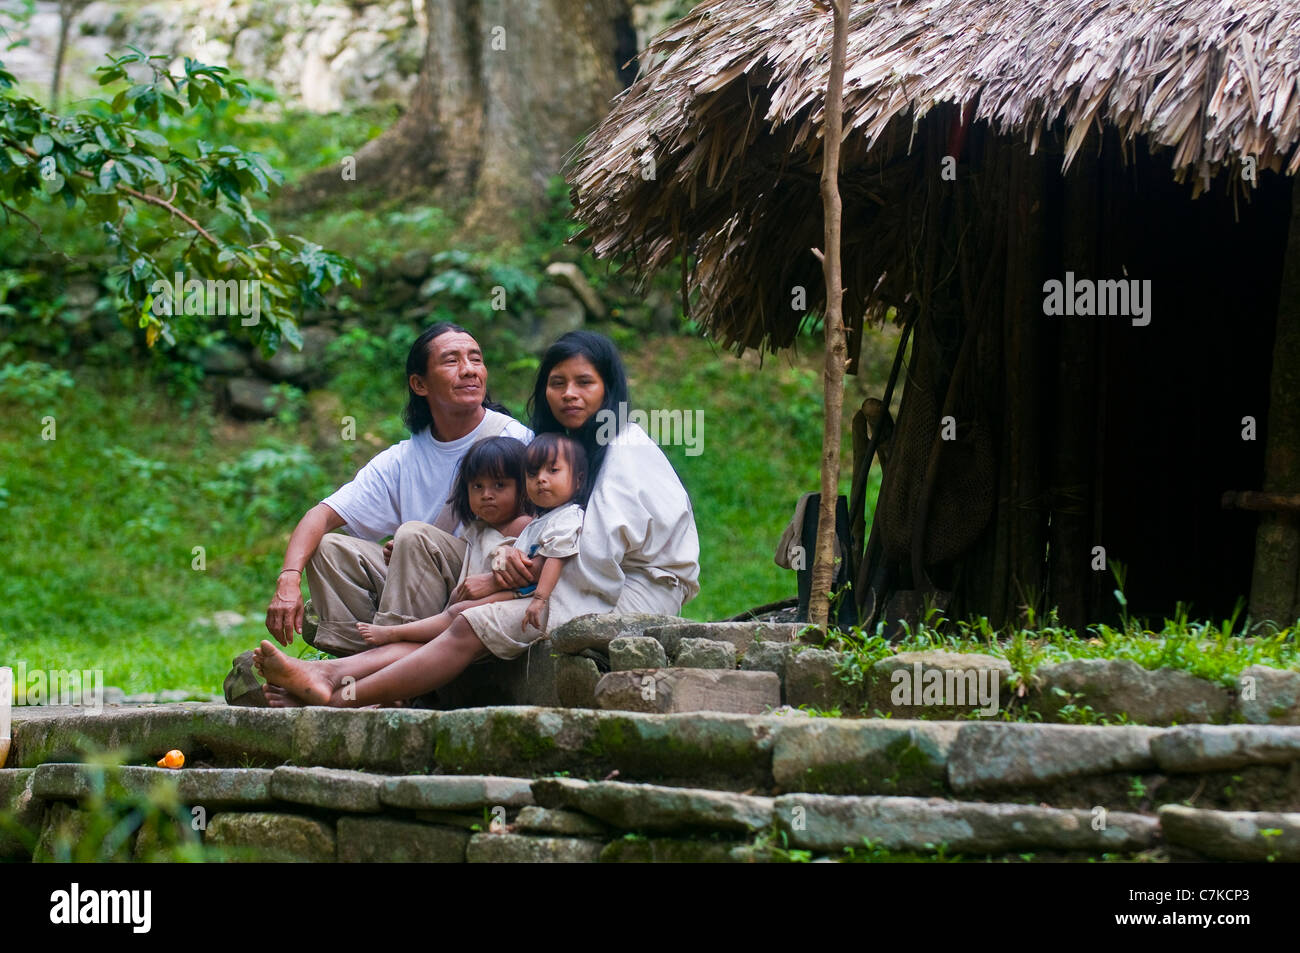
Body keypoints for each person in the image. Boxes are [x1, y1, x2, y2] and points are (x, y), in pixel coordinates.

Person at [254, 330, 700, 707]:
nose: (569, 394)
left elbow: (596, 554)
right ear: (419, 383)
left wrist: (507, 583)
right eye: (557, 382)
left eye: (585, 382)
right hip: (564, 577)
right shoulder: (563, 447)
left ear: (609, 389)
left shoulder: (622, 446)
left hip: (625, 589)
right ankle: (332, 676)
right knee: (456, 609)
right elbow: (546, 528)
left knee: (467, 619)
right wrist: (509, 565)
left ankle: (340, 695)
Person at [262, 322, 532, 658]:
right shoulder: (403, 457)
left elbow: (541, 525)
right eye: (451, 361)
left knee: (413, 535)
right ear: (419, 384)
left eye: (476, 359)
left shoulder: (515, 440)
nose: (469, 371)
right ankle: (353, 658)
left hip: (481, 580)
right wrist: (288, 579)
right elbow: (320, 516)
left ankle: (386, 663)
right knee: (327, 547)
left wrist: (416, 545)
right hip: (421, 588)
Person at [356, 435, 534, 646]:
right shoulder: (478, 528)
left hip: (487, 616)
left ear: (523, 488)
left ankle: (395, 635)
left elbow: (520, 573)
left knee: (449, 617)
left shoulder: (522, 525)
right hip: (461, 610)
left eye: (499, 485)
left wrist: (494, 577)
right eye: (477, 486)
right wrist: (404, 550)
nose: (487, 495)